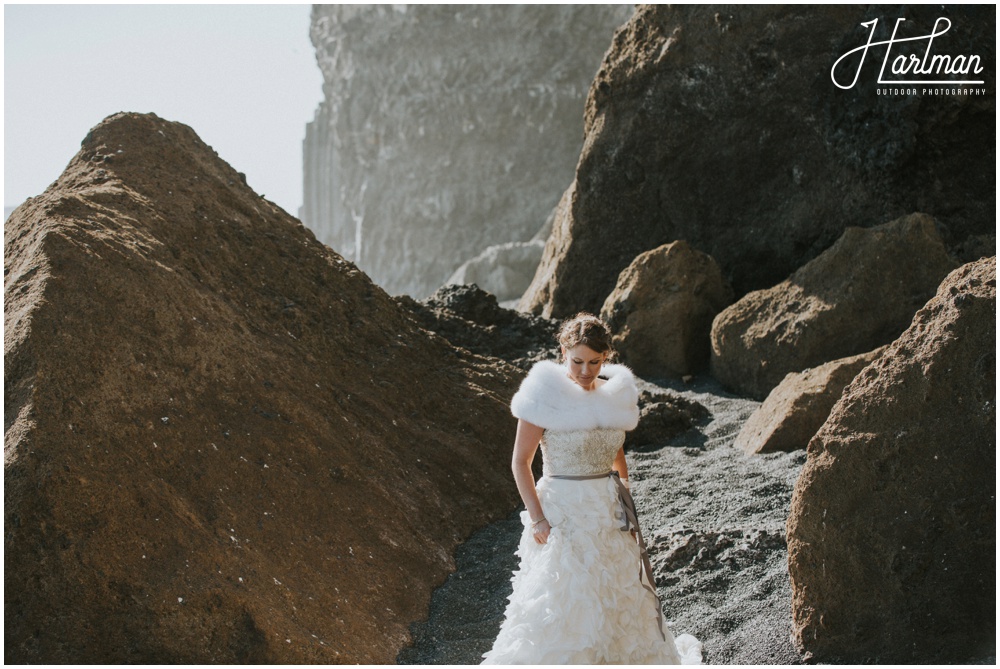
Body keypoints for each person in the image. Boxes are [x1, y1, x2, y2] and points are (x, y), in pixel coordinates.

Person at [482, 313, 702, 665]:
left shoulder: (614, 396)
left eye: (595, 362)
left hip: (607, 508)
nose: (585, 371)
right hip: (563, 512)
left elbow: (617, 456)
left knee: (616, 591)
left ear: (607, 358)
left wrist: (626, 502)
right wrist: (537, 518)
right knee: (568, 595)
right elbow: (520, 463)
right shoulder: (543, 396)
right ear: (563, 352)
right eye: (578, 361)